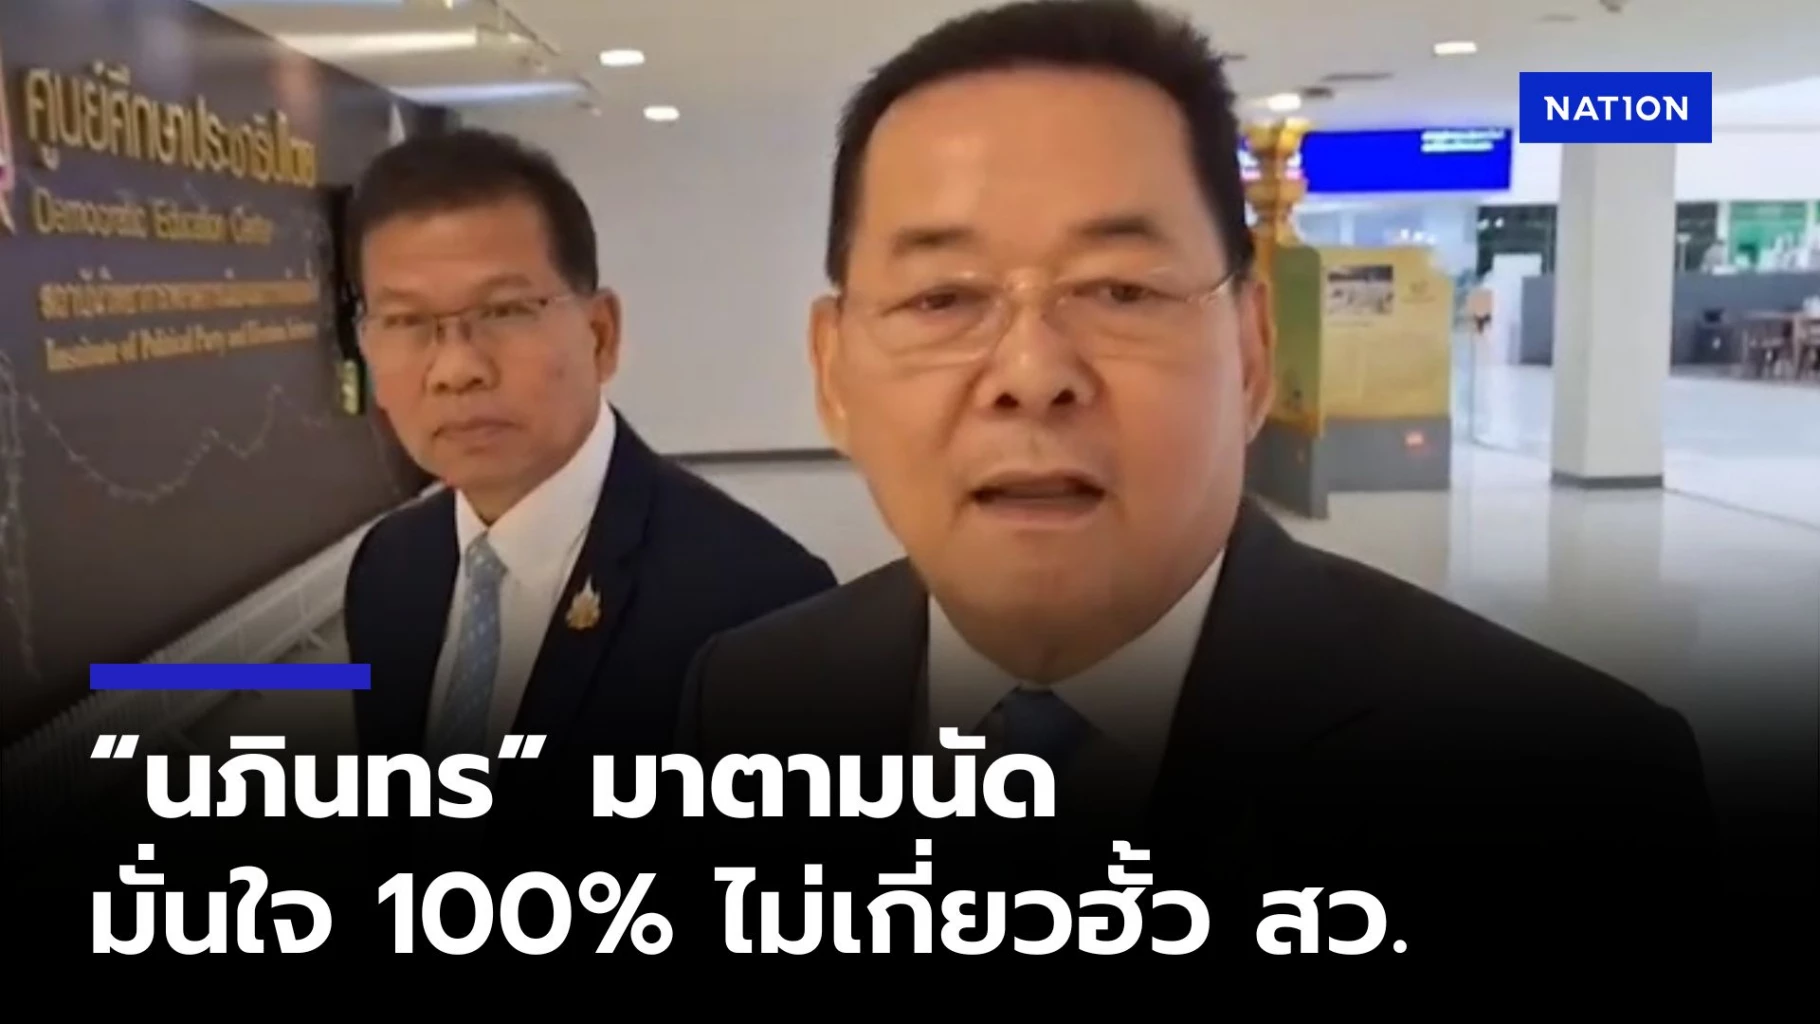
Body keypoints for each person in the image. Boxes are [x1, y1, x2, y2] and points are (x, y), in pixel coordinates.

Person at [676, 0, 1717, 964]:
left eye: (1120, 290)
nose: (1031, 374)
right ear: (833, 374)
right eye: (942, 298)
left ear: (1252, 354)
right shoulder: (748, 699)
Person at [342, 129, 835, 787]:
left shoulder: (764, 603)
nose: (456, 369)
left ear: (600, 335)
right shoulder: (389, 568)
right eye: (407, 322)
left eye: (504, 311)